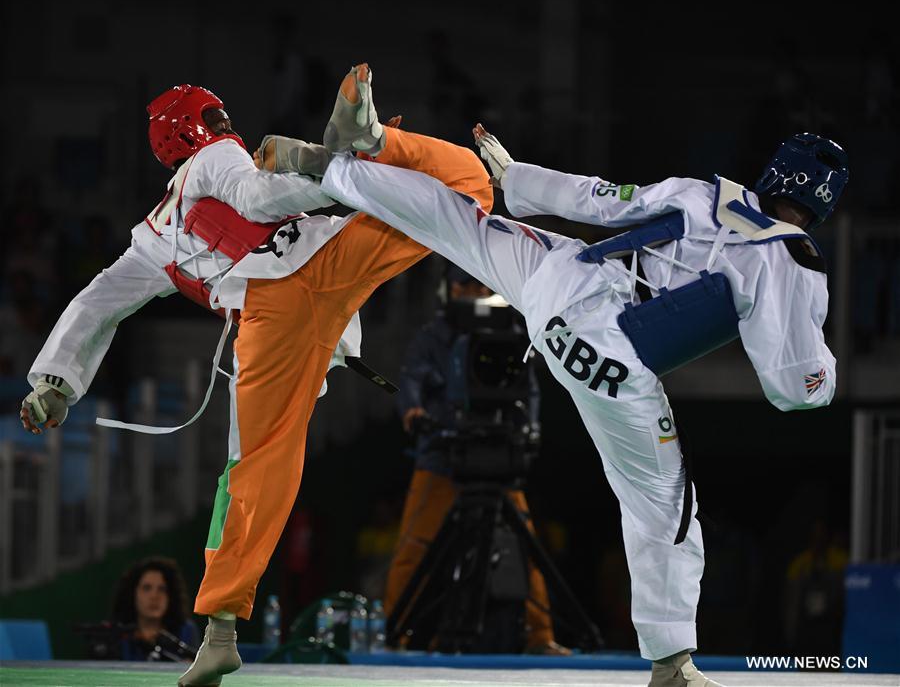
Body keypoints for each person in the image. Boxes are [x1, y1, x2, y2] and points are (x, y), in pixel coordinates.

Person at [267, 63, 846, 687]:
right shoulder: (790, 259)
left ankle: (331, 168)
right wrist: (827, 372)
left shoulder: (705, 193)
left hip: (562, 279)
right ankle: (672, 663)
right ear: (824, 204)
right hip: (608, 356)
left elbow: (599, 198)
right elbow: (792, 390)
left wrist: (516, 178)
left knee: (457, 221)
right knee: (662, 504)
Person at [19, 77, 492, 685]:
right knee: (466, 191)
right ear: (193, 129)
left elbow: (98, 302)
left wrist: (54, 381)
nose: (221, 124)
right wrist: (327, 166)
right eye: (211, 116)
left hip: (276, 321)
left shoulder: (149, 241)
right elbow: (257, 194)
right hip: (321, 269)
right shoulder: (215, 158)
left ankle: (219, 632)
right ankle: (375, 145)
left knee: (256, 471)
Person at [386, 263, 567, 655]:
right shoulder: (433, 337)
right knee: (414, 548)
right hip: (441, 455)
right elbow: (412, 379)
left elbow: (527, 389)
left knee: (527, 546)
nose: (473, 293)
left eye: (480, 285)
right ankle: (396, 636)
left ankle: (540, 637)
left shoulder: (512, 334)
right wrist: (413, 412)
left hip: (497, 457)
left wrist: (529, 430)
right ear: (449, 291)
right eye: (464, 285)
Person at [110, 556, 200, 661]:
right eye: (146, 588)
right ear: (132, 594)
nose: (154, 596)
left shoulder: (186, 630)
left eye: (162, 589)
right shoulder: (118, 634)